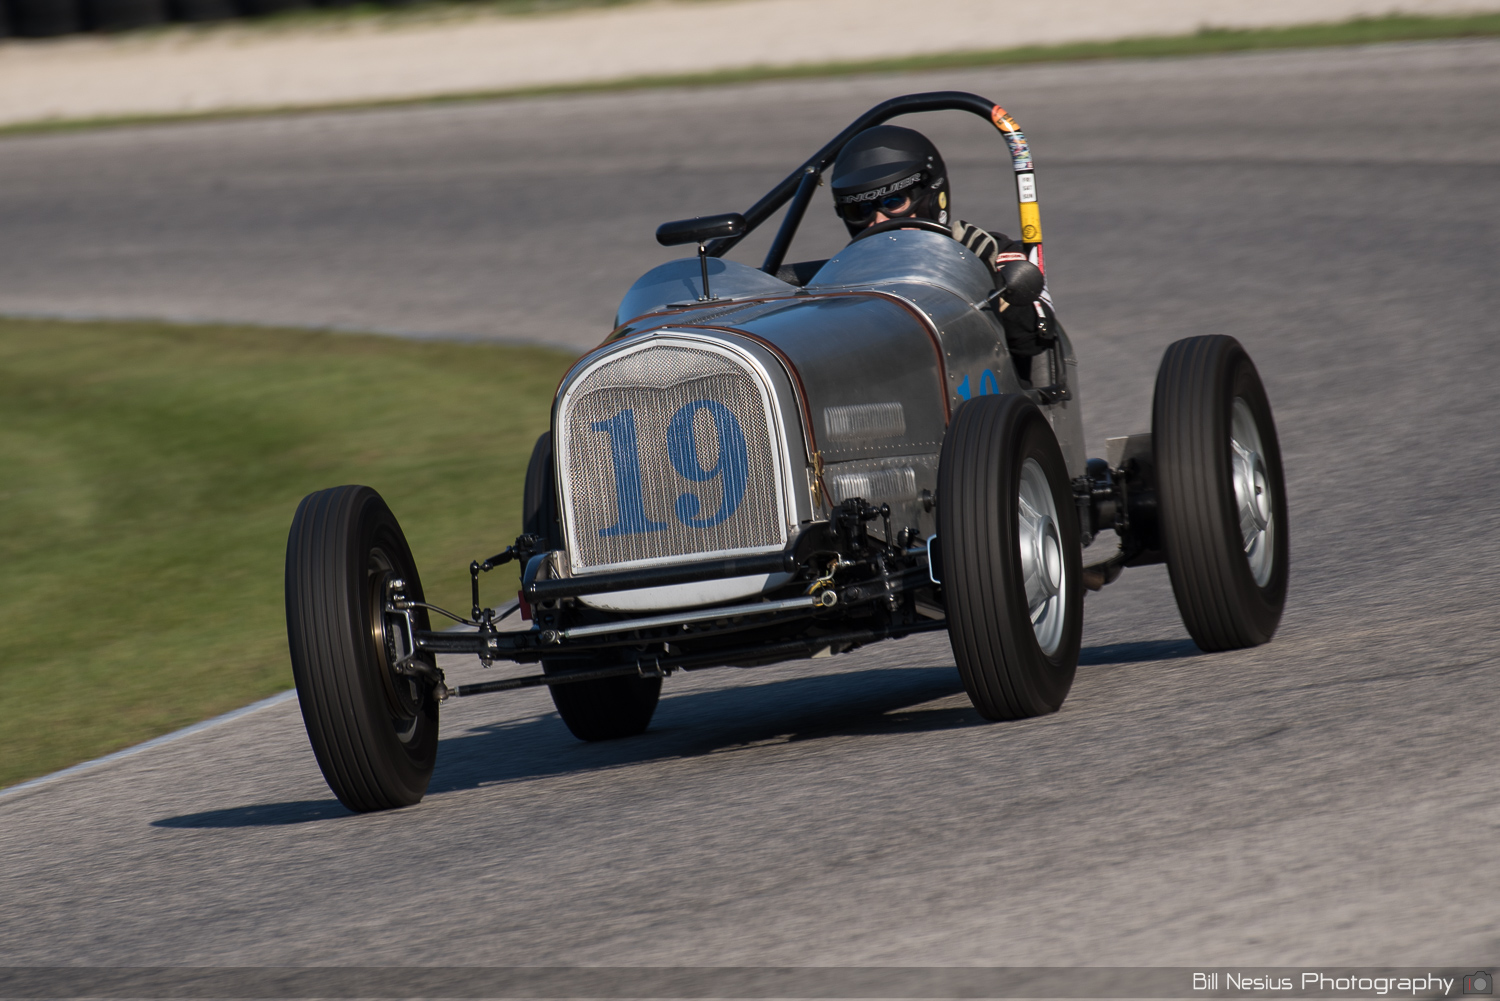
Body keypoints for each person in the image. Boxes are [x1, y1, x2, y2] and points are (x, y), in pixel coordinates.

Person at [829, 125, 1059, 381]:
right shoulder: (841, 279)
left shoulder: (989, 253)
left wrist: (989, 275)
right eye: (861, 211)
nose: (880, 221)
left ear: (930, 197)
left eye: (894, 202)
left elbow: (1035, 342)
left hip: (977, 399)